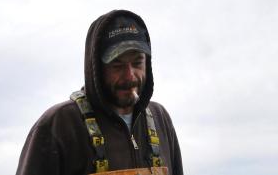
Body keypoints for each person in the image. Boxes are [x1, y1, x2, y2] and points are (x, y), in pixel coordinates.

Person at [16, 10, 183, 174]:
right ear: (95, 68)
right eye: (117, 65)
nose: (129, 75)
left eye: (137, 62)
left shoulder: (160, 118)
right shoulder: (58, 124)